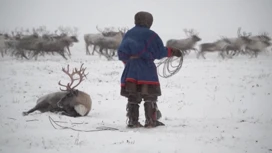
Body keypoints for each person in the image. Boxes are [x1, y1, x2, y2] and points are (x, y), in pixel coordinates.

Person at [117, 11, 182, 128]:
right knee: (150, 95)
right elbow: (159, 51)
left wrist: (130, 62)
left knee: (133, 96)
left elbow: (121, 53)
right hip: (147, 69)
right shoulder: (151, 35)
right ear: (149, 21)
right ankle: (151, 122)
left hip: (131, 69)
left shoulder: (129, 34)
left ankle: (133, 121)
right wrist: (173, 51)